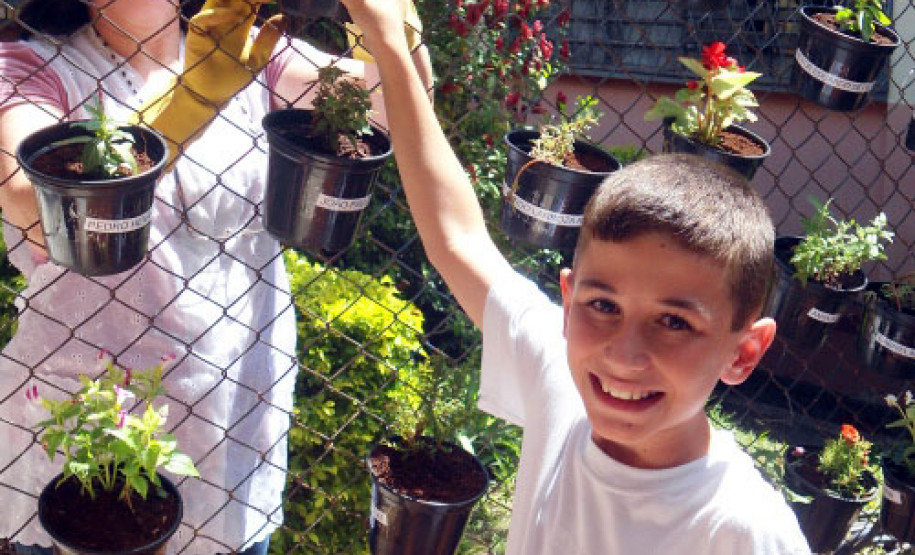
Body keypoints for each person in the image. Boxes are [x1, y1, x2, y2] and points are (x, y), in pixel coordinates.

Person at [339, 0, 812, 552]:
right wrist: (389, 41)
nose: (623, 354)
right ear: (568, 303)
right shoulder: (563, 387)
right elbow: (455, 237)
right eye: (604, 306)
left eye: (675, 322)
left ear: (744, 352)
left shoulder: (742, 529)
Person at [0, 0, 430, 553]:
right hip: (93, 427)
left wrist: (388, 19)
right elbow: (32, 206)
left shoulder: (251, 53)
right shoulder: (30, 65)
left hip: (235, 406)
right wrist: (193, 101)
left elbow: (395, 104)